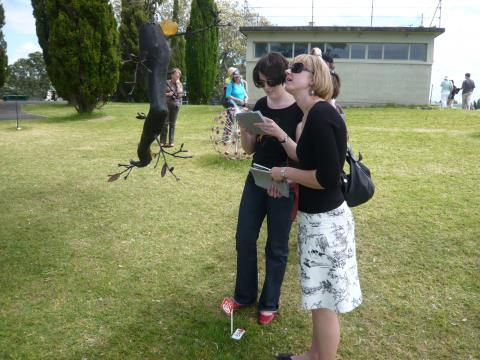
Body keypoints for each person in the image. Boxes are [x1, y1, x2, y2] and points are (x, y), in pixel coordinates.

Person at [270, 54, 362, 360]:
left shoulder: (322, 115)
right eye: (289, 67)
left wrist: (285, 174)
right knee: (318, 297)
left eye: (297, 68)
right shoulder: (309, 114)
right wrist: (281, 137)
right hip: (317, 220)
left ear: (315, 77)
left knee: (325, 304)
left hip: (327, 223)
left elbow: (326, 177)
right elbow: (306, 158)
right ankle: (313, 355)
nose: (288, 71)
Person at [222, 52, 303, 326]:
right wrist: (246, 133)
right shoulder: (260, 104)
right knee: (244, 238)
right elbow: (250, 150)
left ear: (283, 77)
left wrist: (279, 134)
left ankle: (270, 303)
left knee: (276, 247)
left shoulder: (298, 109)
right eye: (261, 82)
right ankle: (244, 295)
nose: (267, 87)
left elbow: (301, 156)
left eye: (271, 82)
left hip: (284, 182)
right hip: (257, 179)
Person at [161, 68, 183, 147]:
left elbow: (180, 95)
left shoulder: (179, 84)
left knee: (172, 124)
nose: (178, 76)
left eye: (179, 75)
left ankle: (171, 142)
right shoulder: (166, 83)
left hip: (175, 105)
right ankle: (162, 141)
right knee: (165, 123)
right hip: (166, 105)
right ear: (172, 75)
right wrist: (167, 94)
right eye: (176, 74)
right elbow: (160, 93)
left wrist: (178, 84)